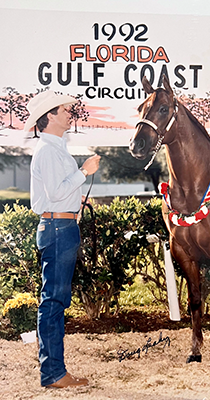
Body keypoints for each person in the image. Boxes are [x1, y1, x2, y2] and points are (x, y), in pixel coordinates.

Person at [24, 91, 101, 388]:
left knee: (54, 301)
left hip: (59, 227)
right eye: (65, 110)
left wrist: (74, 196)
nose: (70, 113)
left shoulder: (52, 149)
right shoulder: (48, 150)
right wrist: (84, 171)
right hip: (58, 229)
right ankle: (54, 373)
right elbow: (56, 193)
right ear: (51, 116)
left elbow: (54, 192)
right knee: (54, 302)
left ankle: (54, 371)